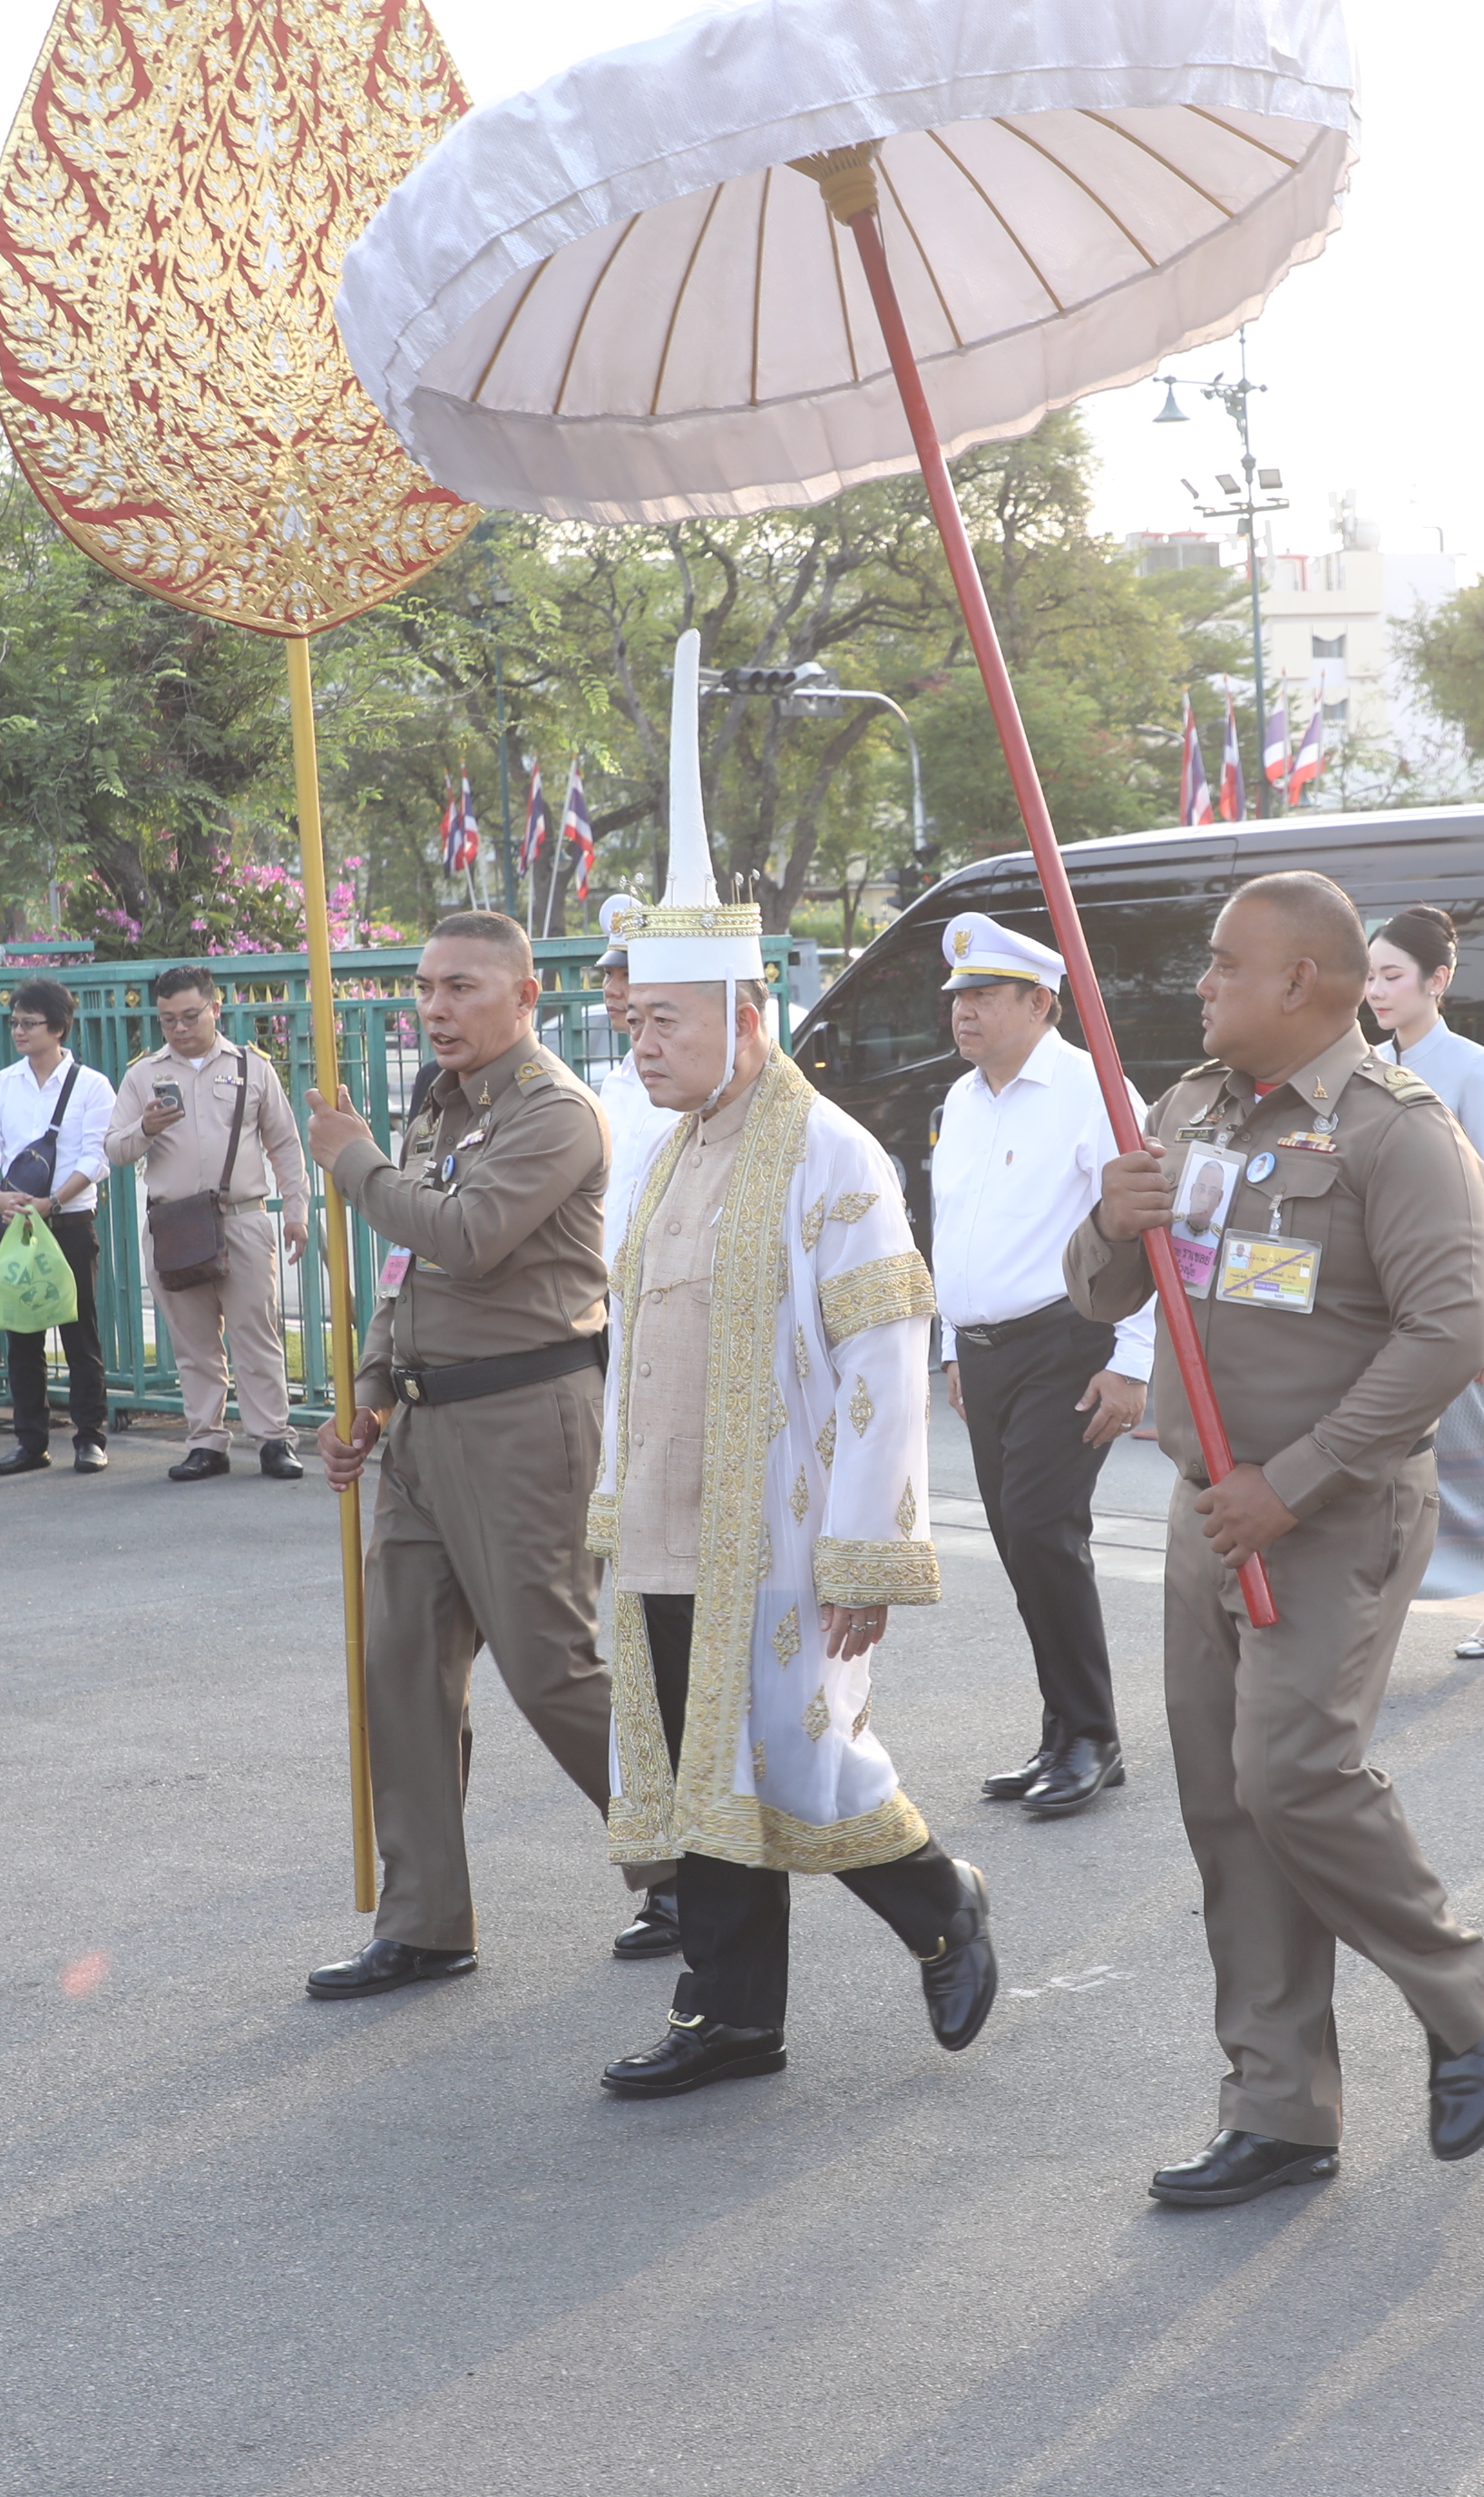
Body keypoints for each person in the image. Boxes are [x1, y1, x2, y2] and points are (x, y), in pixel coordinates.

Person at [1071, 869, 1484, 2208]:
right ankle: (1279, 2106)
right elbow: (1100, 1290)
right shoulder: (1189, 1110)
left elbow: (1446, 1337)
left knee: (1293, 1775)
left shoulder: (1397, 1133)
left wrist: (1302, 1476)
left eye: (1224, 965)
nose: (1200, 985)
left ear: (1302, 985)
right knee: (1224, 1803)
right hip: (1211, 1503)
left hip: (1335, 1511)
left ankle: (1467, 1989)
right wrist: (1114, 1221)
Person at [580, 725, 995, 2098]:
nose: (642, 1045)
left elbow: (884, 1361)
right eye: (632, 1023)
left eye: (667, 1023)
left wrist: (866, 1551)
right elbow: (637, 1344)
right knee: (709, 1789)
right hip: (664, 1523)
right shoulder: (664, 1152)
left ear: (747, 1017)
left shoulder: (832, 1152)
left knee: (799, 1766)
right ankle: (733, 2020)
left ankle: (941, 1906)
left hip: (781, 1530)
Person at [302, 912, 680, 1993]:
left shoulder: (556, 1112)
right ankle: (425, 1922)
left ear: (525, 999)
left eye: (461, 988)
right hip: (423, 1425)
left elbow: (464, 1241)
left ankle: (686, 1865)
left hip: (526, 1420)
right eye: (425, 989)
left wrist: (355, 1165)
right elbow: (406, 1282)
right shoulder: (442, 1106)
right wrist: (370, 1397)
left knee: (549, 1667)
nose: (434, 1010)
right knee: (401, 1671)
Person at [930, 914, 1153, 1818]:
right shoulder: (962, 1099)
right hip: (986, 1355)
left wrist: (1133, 1364)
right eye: (958, 997)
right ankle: (1064, 1731)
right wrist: (952, 1345)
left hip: (1069, 1339)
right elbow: (955, 1230)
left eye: (985, 994)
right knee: (1022, 1541)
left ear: (1043, 1001)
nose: (965, 1011)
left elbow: (1145, 1228)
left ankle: (1092, 1737)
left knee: (1041, 1526)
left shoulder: (1093, 1089)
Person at [1362, 905, 1484, 1659]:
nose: (1376, 990)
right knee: (1378, 1452)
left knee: (1474, 1444)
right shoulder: (1363, 1063)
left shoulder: (1470, 1065)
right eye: (1369, 975)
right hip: (1377, 1292)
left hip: (1448, 1288)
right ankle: (1378, 1605)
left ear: (1438, 980)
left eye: (1391, 975)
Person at [105, 965, 311, 1481]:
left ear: (215, 1009)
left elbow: (284, 1144)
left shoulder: (251, 1067)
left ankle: (273, 1440)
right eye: (167, 1019)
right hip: (174, 1226)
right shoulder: (142, 1075)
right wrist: (145, 1128)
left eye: (190, 1016)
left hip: (242, 1219)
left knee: (255, 1334)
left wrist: (296, 1210)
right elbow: (114, 1150)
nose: (178, 1028)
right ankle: (206, 1442)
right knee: (193, 1341)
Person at [0, 976, 117, 1476]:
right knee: (20, 1333)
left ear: (57, 1028)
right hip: (13, 1222)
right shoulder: (1, 1085)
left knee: (80, 1331)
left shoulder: (92, 1086)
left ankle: (90, 1437)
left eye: (29, 1023)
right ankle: (31, 1441)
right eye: (14, 1022)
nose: (18, 1031)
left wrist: (54, 1201)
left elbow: (97, 1158)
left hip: (69, 1220)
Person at [588, 895, 679, 1262]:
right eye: (609, 974)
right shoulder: (616, 1082)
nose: (611, 988)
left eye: (627, 975)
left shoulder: (687, 1081)